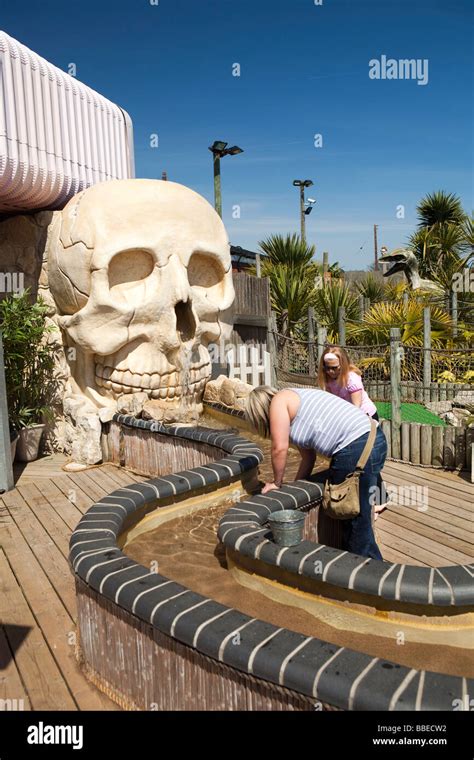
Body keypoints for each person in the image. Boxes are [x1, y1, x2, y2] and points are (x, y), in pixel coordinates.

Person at [245, 386, 387, 560]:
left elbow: (278, 448)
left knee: (355, 520)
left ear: (259, 412)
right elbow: (308, 458)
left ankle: (368, 572)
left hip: (356, 446)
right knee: (356, 514)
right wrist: (294, 490)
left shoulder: (278, 402)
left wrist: (276, 483)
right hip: (374, 439)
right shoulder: (293, 403)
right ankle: (362, 567)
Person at [318, 345, 389, 518]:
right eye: (327, 368)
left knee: (366, 460)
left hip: (365, 418)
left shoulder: (352, 379)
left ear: (342, 364)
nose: (330, 371)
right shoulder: (328, 380)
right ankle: (376, 498)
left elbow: (356, 409)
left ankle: (378, 500)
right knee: (361, 463)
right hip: (347, 420)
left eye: (334, 368)